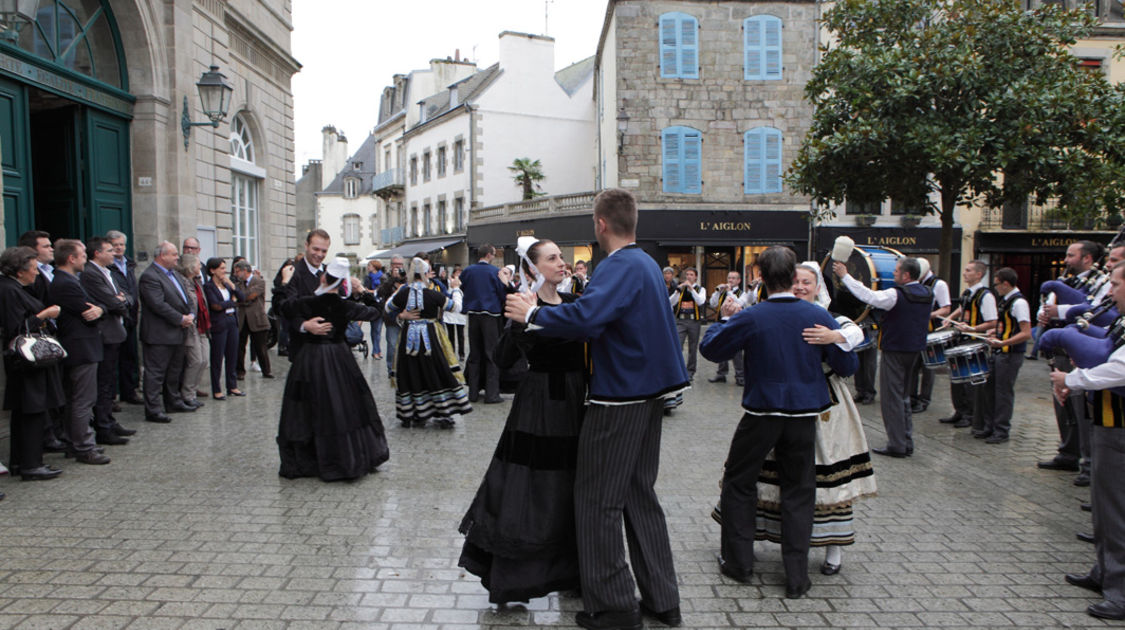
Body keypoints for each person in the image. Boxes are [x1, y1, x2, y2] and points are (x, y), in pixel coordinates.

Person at [505, 189, 688, 630]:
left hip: (618, 399)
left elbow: (587, 318)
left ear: (600, 224)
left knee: (597, 501)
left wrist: (533, 316)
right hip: (647, 398)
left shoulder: (620, 266)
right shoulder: (644, 263)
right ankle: (663, 600)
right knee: (639, 496)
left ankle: (614, 607)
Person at [701, 246, 857, 601]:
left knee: (739, 482)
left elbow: (710, 350)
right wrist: (836, 340)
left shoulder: (753, 315)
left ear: (760, 276)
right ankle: (796, 576)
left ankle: (739, 563)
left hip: (762, 413)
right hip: (804, 415)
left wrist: (725, 319)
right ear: (792, 277)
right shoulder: (816, 315)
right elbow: (847, 369)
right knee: (800, 490)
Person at [727, 262, 875, 577]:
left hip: (825, 409)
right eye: (795, 282)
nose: (800, 287)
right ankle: (770, 544)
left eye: (807, 282)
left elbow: (852, 350)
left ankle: (832, 547)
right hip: (785, 409)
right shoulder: (777, 312)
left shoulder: (829, 318)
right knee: (779, 479)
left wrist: (834, 337)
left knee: (828, 478)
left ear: (818, 286)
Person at [459, 238, 585, 604]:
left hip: (576, 401)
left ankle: (572, 570)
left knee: (570, 483)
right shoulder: (521, 303)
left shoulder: (577, 303)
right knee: (529, 485)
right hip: (539, 403)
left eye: (562, 257)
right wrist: (518, 323)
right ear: (532, 268)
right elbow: (501, 357)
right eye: (552, 258)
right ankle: (515, 578)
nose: (562, 263)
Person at [1051, 260, 1125, 621]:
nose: (1109, 292)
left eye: (1115, 283)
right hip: (1107, 425)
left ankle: (1121, 591)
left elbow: (1119, 369)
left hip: (1120, 428)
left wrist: (1072, 380)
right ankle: (1105, 572)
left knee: (1117, 512)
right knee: (1104, 509)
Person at [276, 258, 389, 481]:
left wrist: (285, 282)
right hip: (338, 357)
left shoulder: (308, 302)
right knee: (341, 405)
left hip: (310, 357)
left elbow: (283, 306)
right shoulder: (344, 306)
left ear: (324, 278)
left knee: (307, 407)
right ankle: (341, 456)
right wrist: (363, 291)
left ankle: (311, 458)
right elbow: (377, 311)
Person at [833, 256, 932, 457]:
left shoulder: (896, 294)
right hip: (914, 349)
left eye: (896, 271)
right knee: (904, 395)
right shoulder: (927, 292)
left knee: (892, 398)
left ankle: (897, 444)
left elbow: (868, 296)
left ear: (905, 275)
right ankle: (906, 440)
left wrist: (845, 276)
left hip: (895, 349)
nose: (893, 273)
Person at [0, 246, 64, 483]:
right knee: (30, 411)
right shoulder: (8, 291)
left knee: (29, 411)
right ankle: (30, 464)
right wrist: (45, 314)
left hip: (28, 363)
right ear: (19, 271)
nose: (37, 274)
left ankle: (23, 461)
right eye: (34, 269)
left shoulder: (15, 288)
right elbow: (17, 328)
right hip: (25, 362)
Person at [1039, 242, 1100, 486]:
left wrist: (1059, 311)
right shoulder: (1069, 280)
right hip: (1060, 348)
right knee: (1063, 404)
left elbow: (1092, 308)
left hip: (1078, 348)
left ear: (1087, 258)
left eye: (1070, 255)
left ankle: (1086, 464)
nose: (1066, 260)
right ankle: (1068, 451)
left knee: (1079, 405)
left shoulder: (1096, 281)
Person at [386, 257, 471, 428]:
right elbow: (456, 308)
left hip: (409, 336)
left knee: (410, 371)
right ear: (426, 273)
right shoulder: (433, 294)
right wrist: (456, 290)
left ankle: (413, 412)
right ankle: (443, 411)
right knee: (436, 370)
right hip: (431, 337)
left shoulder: (404, 292)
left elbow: (388, 307)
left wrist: (402, 315)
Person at [48, 239, 110, 464]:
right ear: (71, 258)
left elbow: (97, 305)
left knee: (78, 399)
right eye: (83, 254)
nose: (86, 258)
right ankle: (83, 446)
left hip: (83, 346)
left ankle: (75, 442)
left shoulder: (72, 280)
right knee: (82, 399)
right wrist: (101, 310)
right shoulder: (65, 283)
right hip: (80, 347)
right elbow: (87, 310)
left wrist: (101, 309)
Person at [81, 236, 135, 445]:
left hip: (116, 332)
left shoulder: (108, 272)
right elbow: (114, 302)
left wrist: (122, 300)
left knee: (110, 381)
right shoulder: (90, 274)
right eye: (110, 250)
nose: (115, 253)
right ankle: (103, 427)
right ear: (97, 253)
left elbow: (128, 297)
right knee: (103, 383)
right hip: (104, 334)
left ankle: (109, 421)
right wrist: (120, 301)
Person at [972, 267, 1031, 444]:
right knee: (990, 391)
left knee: (1003, 393)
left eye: (997, 284)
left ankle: (1001, 430)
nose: (995, 288)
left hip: (1010, 355)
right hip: (999, 352)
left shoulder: (1019, 303)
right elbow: (1006, 327)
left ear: (1006, 284)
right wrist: (994, 335)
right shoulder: (1006, 300)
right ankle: (989, 426)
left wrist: (1004, 342)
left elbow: (1026, 333)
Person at [139, 241, 195, 423]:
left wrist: (190, 314)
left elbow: (187, 297)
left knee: (174, 371)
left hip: (178, 331)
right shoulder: (150, 276)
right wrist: (180, 318)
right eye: (173, 254)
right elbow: (158, 304)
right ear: (161, 255)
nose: (177, 257)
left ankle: (173, 401)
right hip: (159, 334)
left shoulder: (176, 275)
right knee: (155, 373)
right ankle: (153, 409)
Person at [940, 260, 997, 429]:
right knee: (956, 378)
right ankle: (960, 410)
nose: (964, 273)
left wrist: (972, 328)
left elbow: (992, 322)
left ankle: (970, 414)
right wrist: (950, 319)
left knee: (969, 380)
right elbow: (962, 308)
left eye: (968, 270)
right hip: (963, 340)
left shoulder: (986, 296)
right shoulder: (968, 293)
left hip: (975, 343)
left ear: (978, 274)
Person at [461, 244, 509, 404]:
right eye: (494, 254)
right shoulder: (495, 272)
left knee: (474, 355)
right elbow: (502, 293)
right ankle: (492, 394)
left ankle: (473, 393)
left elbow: (463, 288)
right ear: (489, 255)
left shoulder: (467, 271)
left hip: (473, 314)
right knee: (491, 354)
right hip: (490, 314)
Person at [274, 229, 332, 362]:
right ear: (306, 246)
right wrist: (304, 325)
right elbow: (283, 309)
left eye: (324, 251)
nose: (319, 254)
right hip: (303, 348)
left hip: (328, 349)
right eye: (316, 249)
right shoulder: (291, 272)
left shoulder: (330, 273)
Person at [909, 259, 952, 414]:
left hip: (931, 330)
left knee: (928, 366)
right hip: (917, 330)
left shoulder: (939, 284)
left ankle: (924, 399)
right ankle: (912, 397)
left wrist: (929, 314)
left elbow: (946, 308)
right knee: (913, 365)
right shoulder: (916, 283)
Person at [106, 230, 142, 405]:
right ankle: (112, 396)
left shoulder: (128, 264)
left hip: (131, 316)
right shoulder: (107, 266)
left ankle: (129, 391)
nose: (119, 248)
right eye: (115, 245)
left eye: (121, 244)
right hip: (116, 316)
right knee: (112, 359)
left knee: (129, 356)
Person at [203, 258, 246, 400]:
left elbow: (242, 298)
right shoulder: (209, 287)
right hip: (219, 323)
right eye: (221, 268)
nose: (224, 271)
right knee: (217, 357)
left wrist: (231, 285)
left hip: (232, 321)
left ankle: (232, 386)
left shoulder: (226, 285)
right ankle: (217, 389)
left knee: (232, 355)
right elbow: (216, 306)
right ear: (212, 270)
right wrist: (231, 303)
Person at [176, 254, 209, 411]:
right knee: (195, 360)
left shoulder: (197, 282)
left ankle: (192, 392)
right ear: (190, 266)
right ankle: (187, 394)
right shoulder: (183, 282)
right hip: (190, 325)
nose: (200, 267)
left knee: (204, 360)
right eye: (197, 264)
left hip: (201, 325)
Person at [233, 260, 273, 379]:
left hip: (257, 318)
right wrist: (241, 299)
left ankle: (266, 370)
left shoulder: (259, 281)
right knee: (240, 347)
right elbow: (237, 298)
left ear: (245, 270)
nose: (235, 274)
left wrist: (242, 299)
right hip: (242, 319)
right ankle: (240, 372)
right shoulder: (237, 284)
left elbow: (247, 296)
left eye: (237, 271)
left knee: (261, 347)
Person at [708, 270, 747, 386]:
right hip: (722, 323)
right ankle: (721, 374)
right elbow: (713, 303)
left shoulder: (742, 293)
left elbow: (739, 303)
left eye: (733, 278)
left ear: (739, 281)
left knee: (737, 351)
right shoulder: (723, 292)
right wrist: (716, 292)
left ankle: (740, 376)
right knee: (721, 347)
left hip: (736, 324)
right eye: (729, 278)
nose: (730, 280)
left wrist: (729, 292)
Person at [670, 267, 706, 382]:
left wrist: (692, 289)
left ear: (695, 277)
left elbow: (700, 301)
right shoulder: (681, 289)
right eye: (687, 274)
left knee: (692, 347)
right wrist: (677, 291)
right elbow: (670, 302)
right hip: (680, 320)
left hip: (694, 321)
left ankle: (690, 371)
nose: (688, 277)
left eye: (691, 275)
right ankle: (678, 370)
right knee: (677, 345)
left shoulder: (701, 289)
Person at [377, 255, 407, 377]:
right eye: (395, 264)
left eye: (400, 264)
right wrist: (392, 279)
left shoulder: (406, 277)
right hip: (391, 317)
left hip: (405, 316)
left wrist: (402, 278)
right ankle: (391, 369)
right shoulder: (385, 277)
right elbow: (381, 292)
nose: (398, 266)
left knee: (404, 344)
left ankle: (403, 367)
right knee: (392, 344)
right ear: (391, 265)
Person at [443, 268, 467, 360]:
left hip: (460, 313)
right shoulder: (449, 282)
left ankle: (462, 353)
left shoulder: (464, 283)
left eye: (460, 272)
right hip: (450, 312)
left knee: (461, 335)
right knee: (451, 334)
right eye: (457, 272)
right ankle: (451, 352)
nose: (458, 274)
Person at [364, 259, 385, 359]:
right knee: (375, 330)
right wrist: (374, 291)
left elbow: (382, 290)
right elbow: (366, 290)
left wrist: (373, 291)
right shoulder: (368, 278)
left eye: (369, 265)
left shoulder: (382, 277)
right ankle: (376, 351)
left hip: (381, 306)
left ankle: (377, 350)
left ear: (375, 267)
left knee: (378, 330)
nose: (368, 267)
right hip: (372, 305)